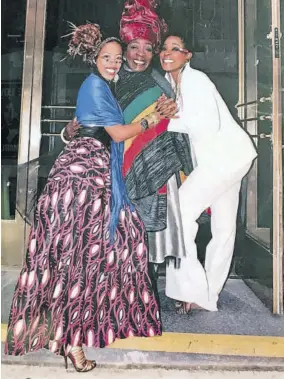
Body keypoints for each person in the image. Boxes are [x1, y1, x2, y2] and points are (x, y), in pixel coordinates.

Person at [5, 23, 167, 372]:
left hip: (89, 174)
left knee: (89, 255)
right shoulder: (95, 85)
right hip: (84, 182)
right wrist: (153, 118)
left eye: (117, 58)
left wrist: (68, 131)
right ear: (94, 58)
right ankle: (73, 343)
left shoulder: (102, 88)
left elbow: (80, 128)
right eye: (107, 57)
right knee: (83, 258)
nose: (113, 63)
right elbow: (118, 132)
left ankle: (75, 335)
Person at [63, 0, 193, 276]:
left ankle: (138, 291)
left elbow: (174, 123)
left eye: (148, 48)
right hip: (107, 171)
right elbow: (88, 122)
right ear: (125, 48)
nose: (141, 54)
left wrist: (172, 112)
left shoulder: (161, 82)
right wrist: (69, 131)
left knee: (140, 239)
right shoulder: (109, 77)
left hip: (149, 170)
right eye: (134, 47)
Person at [159, 33, 257, 314]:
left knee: (176, 215)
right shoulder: (171, 83)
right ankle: (208, 293)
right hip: (227, 158)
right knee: (224, 228)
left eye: (175, 49)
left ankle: (192, 289)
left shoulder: (197, 80)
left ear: (187, 55)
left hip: (225, 159)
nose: (167, 53)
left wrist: (170, 119)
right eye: (164, 48)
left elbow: (207, 127)